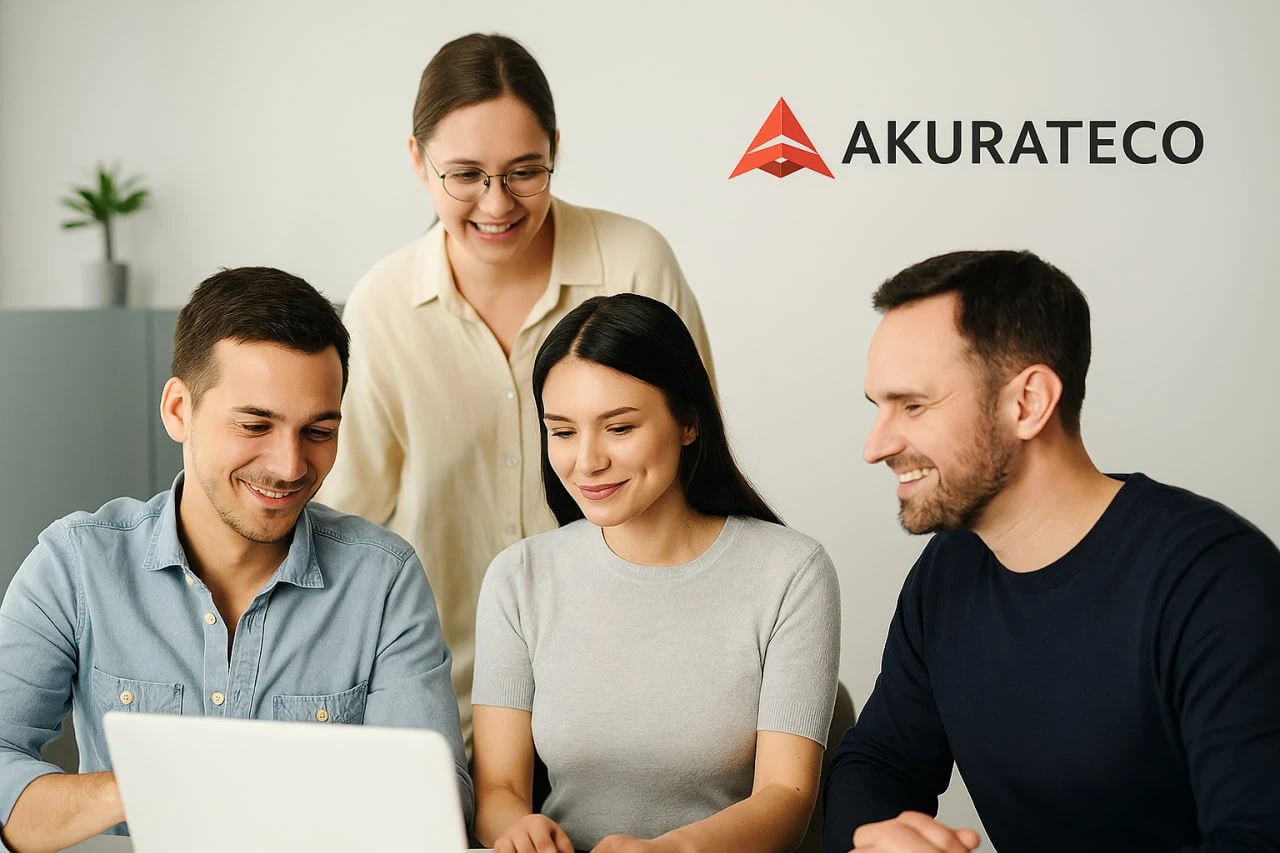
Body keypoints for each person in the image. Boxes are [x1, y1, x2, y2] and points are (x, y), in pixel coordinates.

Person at [317, 33, 714, 748]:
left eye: (525, 171)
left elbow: (695, 467)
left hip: (630, 703)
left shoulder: (633, 260)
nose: (496, 204)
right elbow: (350, 518)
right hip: (443, 702)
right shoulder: (382, 302)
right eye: (464, 174)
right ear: (417, 160)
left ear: (556, 149)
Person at [0, 267, 472, 853]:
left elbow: (434, 805)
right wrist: (147, 788)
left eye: (319, 431)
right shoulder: (75, 564)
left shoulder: (383, 579)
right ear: (179, 411)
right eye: (255, 425)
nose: (289, 465)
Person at [823, 250, 1280, 853]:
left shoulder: (1218, 581)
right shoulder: (948, 573)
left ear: (1029, 402)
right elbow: (877, 763)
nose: (875, 446)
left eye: (912, 405)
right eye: (876, 407)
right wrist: (878, 839)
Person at [470, 293, 840, 853]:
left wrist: (671, 851)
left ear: (689, 420)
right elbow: (497, 788)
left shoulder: (791, 572)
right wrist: (513, 830)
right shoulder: (519, 578)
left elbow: (786, 798)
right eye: (563, 431)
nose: (587, 461)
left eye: (618, 428)